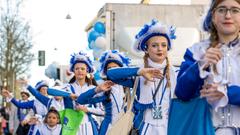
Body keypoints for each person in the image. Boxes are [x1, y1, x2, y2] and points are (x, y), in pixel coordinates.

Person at [175, 0, 240, 134]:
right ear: (213, 16)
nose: (228, 15)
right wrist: (200, 65)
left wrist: (227, 93)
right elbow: (182, 93)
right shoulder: (196, 51)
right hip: (204, 129)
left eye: (235, 10)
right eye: (221, 10)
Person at [107, 19, 178, 135]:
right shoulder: (138, 74)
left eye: (163, 45)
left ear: (167, 48)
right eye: (154, 45)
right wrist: (139, 71)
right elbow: (111, 74)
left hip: (170, 128)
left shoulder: (176, 72)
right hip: (144, 128)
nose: (160, 49)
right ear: (146, 49)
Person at [46, 51, 104, 135]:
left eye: (82, 69)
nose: (79, 71)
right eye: (77, 68)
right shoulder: (67, 87)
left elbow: (102, 111)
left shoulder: (93, 89)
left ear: (87, 70)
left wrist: (87, 109)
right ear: (73, 70)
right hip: (70, 127)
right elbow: (49, 90)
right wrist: (69, 95)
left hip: (88, 127)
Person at [76, 50, 131, 135]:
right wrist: (97, 89)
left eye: (116, 67)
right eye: (109, 68)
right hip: (108, 129)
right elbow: (80, 99)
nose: (113, 70)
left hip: (125, 128)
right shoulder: (105, 89)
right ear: (106, 72)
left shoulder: (128, 87)